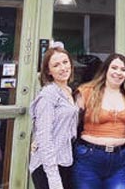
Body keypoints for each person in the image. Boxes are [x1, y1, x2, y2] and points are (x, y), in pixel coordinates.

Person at [72, 53, 125, 189]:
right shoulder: (87, 92)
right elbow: (69, 123)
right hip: (89, 159)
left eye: (123, 69)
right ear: (106, 70)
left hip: (119, 161)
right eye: (114, 68)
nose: (118, 72)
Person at [29, 47, 79, 189]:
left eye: (65, 62)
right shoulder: (48, 95)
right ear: (48, 71)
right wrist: (53, 177)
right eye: (56, 65)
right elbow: (44, 136)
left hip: (65, 160)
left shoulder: (69, 91)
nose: (63, 68)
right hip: (48, 166)